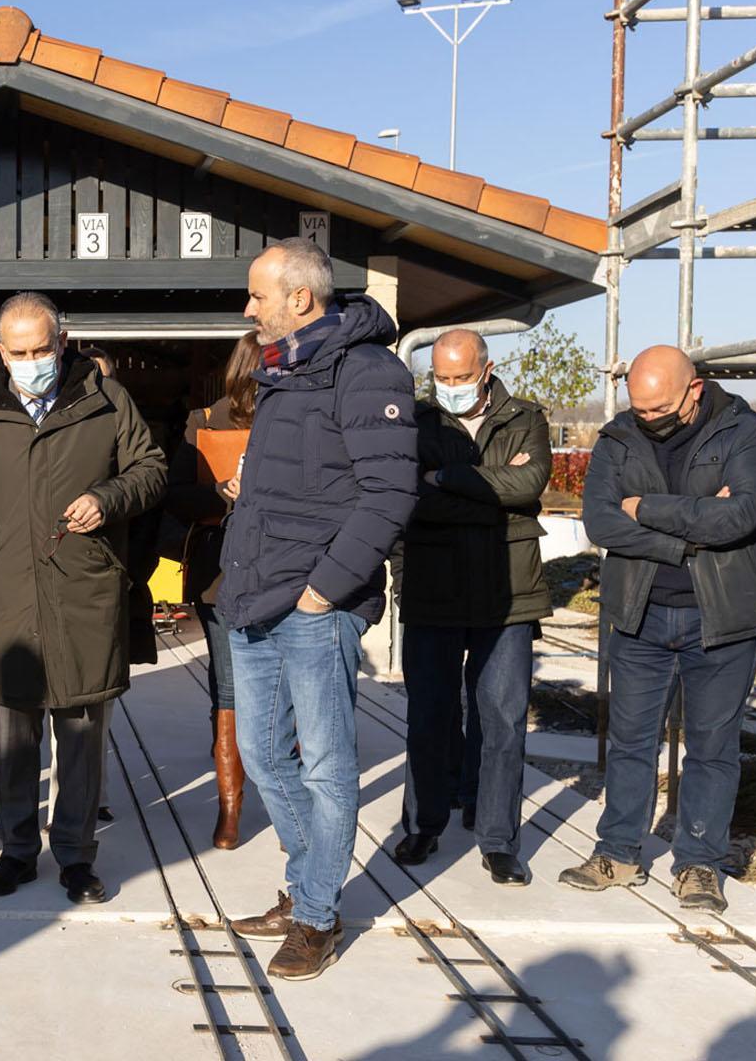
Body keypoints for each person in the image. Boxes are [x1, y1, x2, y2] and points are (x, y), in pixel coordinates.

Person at [219, 237, 416, 981]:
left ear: (301, 299)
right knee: (266, 755)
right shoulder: (286, 373)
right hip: (257, 590)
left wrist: (325, 588)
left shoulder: (366, 371)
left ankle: (316, 917)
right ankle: (307, 886)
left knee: (327, 762)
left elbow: (390, 493)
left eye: (258, 295)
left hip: (312, 601)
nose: (249, 308)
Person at [0, 292, 167, 905]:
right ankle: (16, 852)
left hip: (81, 588)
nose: (32, 360)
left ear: (63, 342)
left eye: (43, 349)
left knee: (83, 730)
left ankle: (74, 854)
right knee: (14, 738)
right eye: (19, 351)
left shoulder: (105, 398)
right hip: (8, 591)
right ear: (0, 348)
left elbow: (151, 468)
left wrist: (108, 498)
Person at [566, 345, 756, 913]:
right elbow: (600, 519)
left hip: (724, 616)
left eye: (659, 409)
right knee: (631, 742)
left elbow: (739, 517)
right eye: (639, 408)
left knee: (712, 746)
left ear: (694, 389)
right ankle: (618, 852)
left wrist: (645, 508)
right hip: (639, 615)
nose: (648, 419)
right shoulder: (618, 436)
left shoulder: (748, 433)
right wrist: (686, 534)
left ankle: (699, 865)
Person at [394, 330, 551, 887]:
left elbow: (532, 482)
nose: (451, 387)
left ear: (486, 370)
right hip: (433, 587)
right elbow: (407, 496)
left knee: (503, 719)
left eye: (462, 377)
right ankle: (422, 824)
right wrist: (491, 495)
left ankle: (499, 840)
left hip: (508, 591)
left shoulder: (526, 418)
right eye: (443, 377)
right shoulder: (415, 421)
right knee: (429, 714)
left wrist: (449, 479)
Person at [163, 331, 260, 850]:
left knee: (279, 685)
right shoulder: (203, 422)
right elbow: (175, 494)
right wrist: (220, 493)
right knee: (228, 684)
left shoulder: (297, 417)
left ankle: (279, 787)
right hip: (219, 566)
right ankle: (230, 811)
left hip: (285, 566)